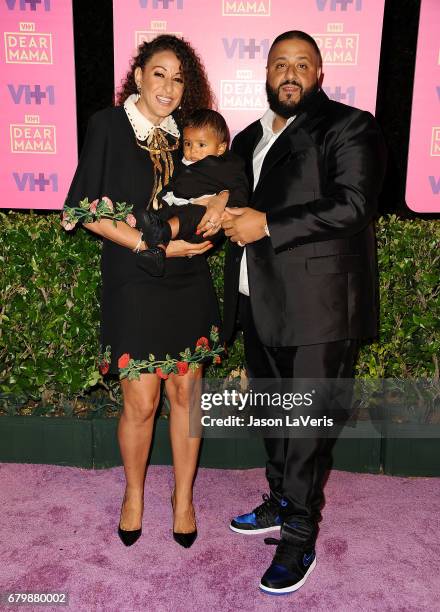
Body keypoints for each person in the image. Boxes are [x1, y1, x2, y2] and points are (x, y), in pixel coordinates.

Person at [222, 30, 387, 594]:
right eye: (279, 64)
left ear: (319, 74)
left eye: (302, 64)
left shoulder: (348, 125)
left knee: (306, 427)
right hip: (256, 300)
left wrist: (266, 223)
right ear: (266, 73)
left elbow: (356, 204)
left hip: (320, 309)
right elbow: (226, 202)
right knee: (271, 415)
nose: (289, 73)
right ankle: (278, 500)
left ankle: (299, 537)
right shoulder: (246, 137)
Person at [63, 35, 228, 549]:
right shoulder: (108, 126)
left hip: (187, 279)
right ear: (137, 76)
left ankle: (183, 499)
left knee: (186, 393)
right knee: (141, 397)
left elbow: (224, 186)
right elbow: (87, 212)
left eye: (179, 78)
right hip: (135, 274)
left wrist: (217, 213)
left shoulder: (189, 136)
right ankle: (133, 494)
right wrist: (152, 249)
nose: (169, 86)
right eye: (159, 73)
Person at [135, 108, 249, 276]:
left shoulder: (228, 166)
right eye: (188, 143)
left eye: (201, 145)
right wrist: (164, 197)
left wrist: (222, 200)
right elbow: (172, 184)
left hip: (204, 224)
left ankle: (162, 231)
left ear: (220, 148)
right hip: (180, 212)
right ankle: (157, 252)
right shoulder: (182, 162)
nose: (193, 150)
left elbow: (240, 193)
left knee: (194, 212)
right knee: (163, 211)